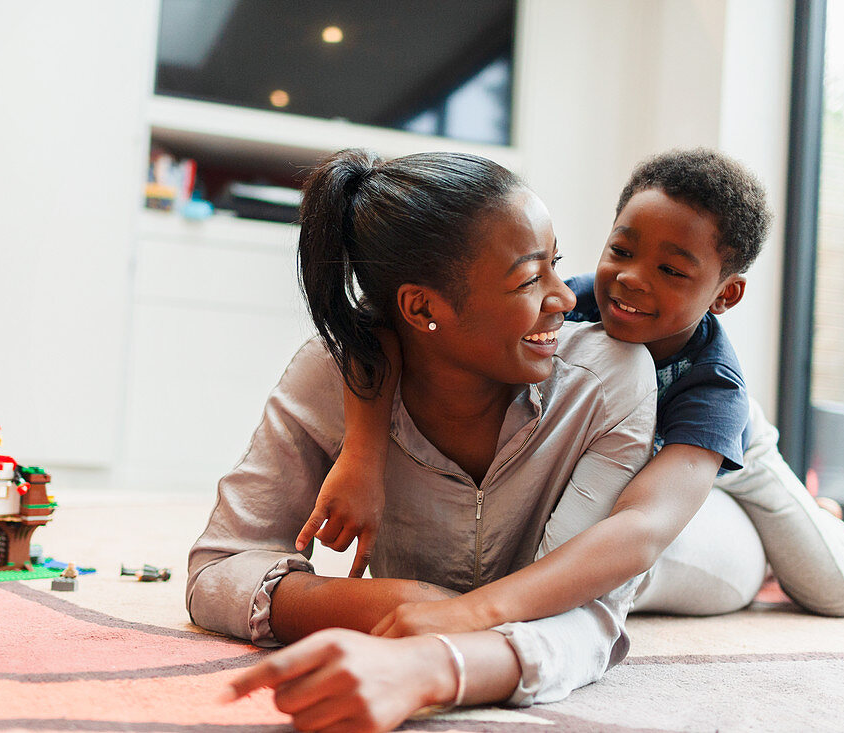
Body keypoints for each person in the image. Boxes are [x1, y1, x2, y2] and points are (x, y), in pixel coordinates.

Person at [300, 149, 844, 643]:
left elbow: (643, 525)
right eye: (622, 250)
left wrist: (477, 611)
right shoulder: (567, 304)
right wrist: (363, 454)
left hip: (723, 460)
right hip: (632, 455)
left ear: (725, 296)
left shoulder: (711, 389)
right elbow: (379, 331)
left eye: (672, 270)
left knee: (836, 590)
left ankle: (818, 515)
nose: (632, 278)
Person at [188, 149, 667, 730]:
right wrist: (399, 603)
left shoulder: (609, 378)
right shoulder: (331, 374)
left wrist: (438, 663)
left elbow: (585, 609)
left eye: (556, 265)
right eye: (527, 279)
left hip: (671, 537)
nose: (566, 298)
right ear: (421, 308)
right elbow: (218, 570)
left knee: (772, 562)